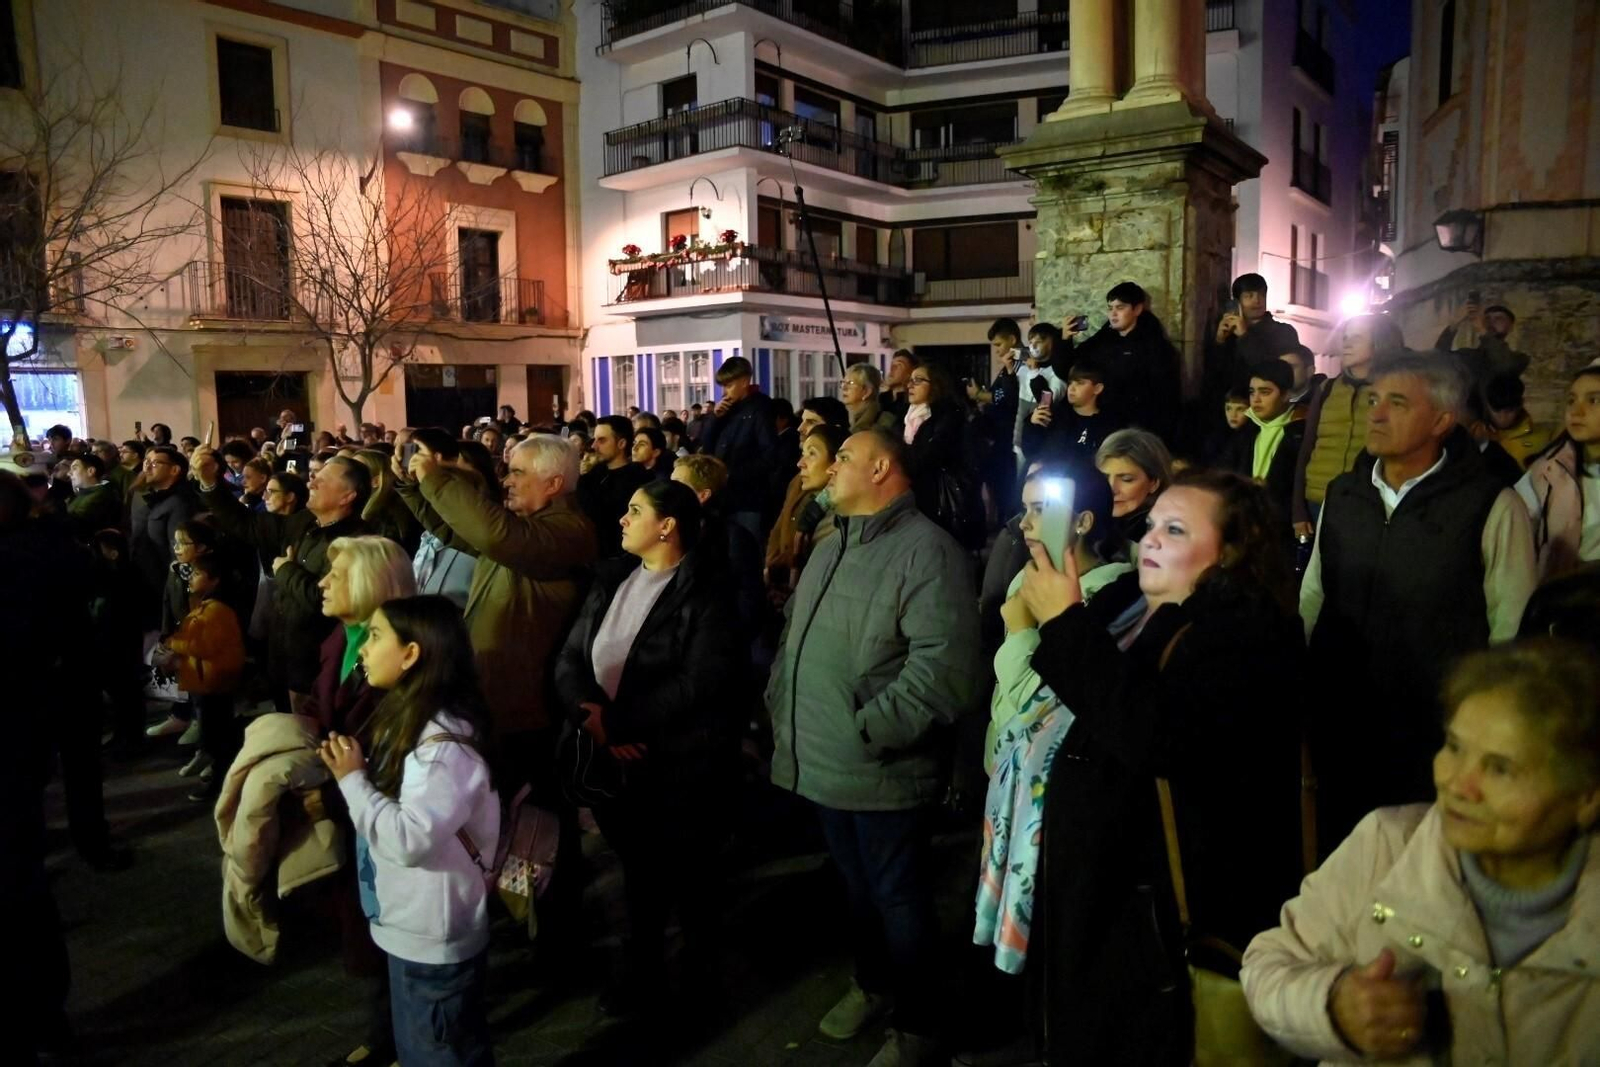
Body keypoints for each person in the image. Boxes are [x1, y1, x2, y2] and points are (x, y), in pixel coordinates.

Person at [1016, 468, 1306, 1065]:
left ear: (1231, 552)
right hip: (1098, 898)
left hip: (1154, 922)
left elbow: (1156, 737)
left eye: (1174, 530)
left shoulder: (1246, 638)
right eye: (1150, 525)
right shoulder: (1129, 601)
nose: (1149, 539)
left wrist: (1065, 623)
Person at [1241, 639, 1600, 1066]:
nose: (1457, 784)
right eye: (1453, 747)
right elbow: (1267, 966)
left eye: (1500, 768)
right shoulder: (1387, 845)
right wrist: (1335, 1006)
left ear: (1585, 797)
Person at [767, 427, 982, 1067]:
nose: (830, 470)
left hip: (880, 765)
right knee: (857, 891)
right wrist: (783, 704)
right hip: (825, 758)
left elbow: (945, 667)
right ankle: (874, 984)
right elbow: (795, 640)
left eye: (845, 459)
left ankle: (918, 1022)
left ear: (883, 468)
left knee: (898, 896)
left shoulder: (928, 552)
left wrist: (871, 728)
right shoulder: (834, 543)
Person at [1302, 352, 1538, 845]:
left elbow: (1511, 628)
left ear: (1442, 420)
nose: (1377, 414)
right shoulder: (1344, 496)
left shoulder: (1491, 505)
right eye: (1373, 400)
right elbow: (1314, 597)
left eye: (1397, 402)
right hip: (1340, 721)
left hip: (1430, 733)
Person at [554, 480, 744, 1019]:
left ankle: (698, 990)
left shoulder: (706, 591)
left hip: (677, 763)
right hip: (613, 758)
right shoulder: (612, 578)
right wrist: (587, 715)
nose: (622, 519)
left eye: (635, 511)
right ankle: (643, 979)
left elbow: (699, 682)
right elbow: (570, 656)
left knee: (690, 883)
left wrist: (616, 722)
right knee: (638, 879)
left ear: (667, 526)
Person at [319, 595, 499, 1067]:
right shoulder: (412, 718)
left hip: (432, 937)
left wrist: (351, 779)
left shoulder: (441, 745)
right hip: (414, 929)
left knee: (438, 1053)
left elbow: (409, 839)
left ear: (412, 653)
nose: (362, 648)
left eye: (375, 636)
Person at [394, 434, 596, 784]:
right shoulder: (525, 530)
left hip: (526, 707)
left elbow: (493, 535)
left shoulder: (568, 532)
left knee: (532, 820)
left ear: (554, 483)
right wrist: (412, 486)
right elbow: (454, 530)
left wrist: (436, 478)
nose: (506, 480)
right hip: (493, 696)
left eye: (517, 472)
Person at [309, 534, 417, 1067]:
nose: (323, 582)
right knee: (364, 918)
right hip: (347, 800)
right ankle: (387, 1028)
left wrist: (333, 790)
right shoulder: (342, 637)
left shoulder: (401, 657)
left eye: (337, 574)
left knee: (387, 922)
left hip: (380, 812)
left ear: (372, 583)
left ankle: (397, 1037)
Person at [195, 447, 372, 710]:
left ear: (347, 496)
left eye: (321, 480)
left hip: (315, 665)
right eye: (314, 476)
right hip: (283, 655)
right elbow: (249, 525)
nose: (311, 482)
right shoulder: (306, 522)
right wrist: (211, 482)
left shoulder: (356, 542)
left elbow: (326, 601)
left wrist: (286, 571)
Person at [1291, 313, 1407, 538]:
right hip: (1316, 500)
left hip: (1365, 504)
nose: (1347, 343)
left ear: (1379, 342)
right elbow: (1307, 449)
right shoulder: (1327, 389)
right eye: (1345, 337)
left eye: (1356, 337)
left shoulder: (1393, 390)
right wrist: (1298, 510)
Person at [155, 553, 245, 801]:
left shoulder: (217, 610)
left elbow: (202, 646)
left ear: (214, 580)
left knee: (217, 738)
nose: (191, 578)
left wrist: (174, 643)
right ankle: (216, 775)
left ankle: (219, 784)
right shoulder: (205, 605)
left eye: (197, 574)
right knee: (214, 734)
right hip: (205, 681)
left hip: (213, 684)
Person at [1061, 282, 1183, 445]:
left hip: (1137, 429)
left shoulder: (1154, 346)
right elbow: (1072, 368)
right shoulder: (1103, 339)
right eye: (1110, 308)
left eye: (1120, 308)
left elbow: (1165, 397)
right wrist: (1065, 340)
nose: (1113, 314)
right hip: (1103, 424)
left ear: (1137, 309)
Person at [1516, 362, 1600, 580]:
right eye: (1571, 400)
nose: (1576, 411)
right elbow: (1516, 528)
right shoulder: (1549, 472)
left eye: (1594, 400)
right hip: (1565, 598)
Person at [905, 362, 984, 549]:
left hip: (940, 502)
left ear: (936, 384)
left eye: (918, 380)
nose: (910, 385)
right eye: (910, 380)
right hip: (921, 496)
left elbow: (929, 456)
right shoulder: (908, 417)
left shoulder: (948, 416)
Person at [698, 356, 777, 543]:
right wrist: (714, 419)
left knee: (746, 545)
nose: (725, 392)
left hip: (748, 498)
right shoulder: (726, 410)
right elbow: (706, 447)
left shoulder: (760, 408)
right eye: (723, 386)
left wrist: (732, 474)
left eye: (729, 385)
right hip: (722, 497)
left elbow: (770, 454)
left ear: (744, 381)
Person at [1204, 272, 1300, 414]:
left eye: (1261, 295)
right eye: (1249, 296)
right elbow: (1213, 376)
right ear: (1237, 302)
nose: (1257, 301)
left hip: (1262, 410)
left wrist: (1245, 336)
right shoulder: (1229, 334)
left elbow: (1272, 372)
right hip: (1228, 411)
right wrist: (1219, 341)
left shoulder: (1283, 332)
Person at [765, 423, 846, 591]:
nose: (800, 463)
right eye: (803, 453)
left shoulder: (839, 519)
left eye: (812, 454)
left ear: (836, 463)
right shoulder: (806, 497)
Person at [1226, 358, 1307, 523]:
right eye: (1251, 392)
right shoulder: (1247, 429)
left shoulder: (1300, 430)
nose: (1255, 399)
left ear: (1286, 395)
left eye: (1265, 392)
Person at [129, 444, 201, 623]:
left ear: (174, 470)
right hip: (146, 582)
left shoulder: (180, 503)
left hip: (161, 585)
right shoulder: (154, 497)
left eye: (154, 463)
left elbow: (178, 552)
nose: (147, 467)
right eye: (146, 462)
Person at [1023, 357, 1125, 469]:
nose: (1072, 388)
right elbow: (1031, 452)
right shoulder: (1054, 415)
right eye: (1070, 383)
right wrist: (1032, 426)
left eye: (1080, 383)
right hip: (1048, 479)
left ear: (1097, 389)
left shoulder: (1108, 425)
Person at [1435, 298, 1528, 413]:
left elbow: (1503, 365)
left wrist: (1483, 331)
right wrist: (1453, 324)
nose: (1491, 322)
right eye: (1487, 318)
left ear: (1510, 326)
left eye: (1498, 318)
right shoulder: (1468, 355)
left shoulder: (1519, 359)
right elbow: (1438, 359)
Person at [1095, 428, 1174, 563]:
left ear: (1154, 483)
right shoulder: (1090, 522)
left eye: (1126, 479)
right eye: (1103, 478)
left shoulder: (1158, 538)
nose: (1111, 489)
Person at [577, 415, 651, 558]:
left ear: (621, 443)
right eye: (594, 440)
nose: (594, 446)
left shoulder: (638, 480)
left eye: (602, 440)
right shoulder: (594, 474)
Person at [1482, 373, 1551, 468]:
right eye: (1496, 410)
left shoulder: (1543, 439)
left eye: (1509, 411)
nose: (1502, 417)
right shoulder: (1477, 436)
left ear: (1521, 404)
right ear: (1487, 405)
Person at [67, 452, 121, 539]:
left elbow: (75, 523)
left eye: (74, 468)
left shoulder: (100, 496)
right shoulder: (87, 492)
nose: (69, 473)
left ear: (91, 471)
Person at [841, 363, 899, 435]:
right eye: (843, 382)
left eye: (851, 383)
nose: (844, 387)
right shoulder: (846, 419)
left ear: (867, 391)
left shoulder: (884, 423)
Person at [881, 349, 919, 422]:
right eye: (892, 365)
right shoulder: (880, 399)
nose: (892, 369)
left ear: (910, 373)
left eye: (899, 365)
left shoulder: (912, 403)